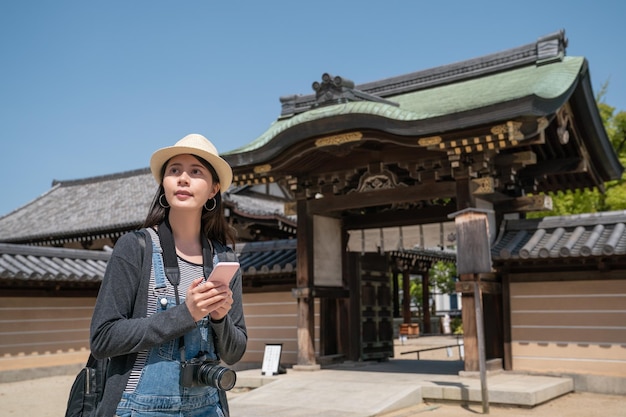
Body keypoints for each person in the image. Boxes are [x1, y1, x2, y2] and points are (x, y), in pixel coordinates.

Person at [90, 133, 247, 417]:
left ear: (213, 189)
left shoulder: (225, 260)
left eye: (195, 171)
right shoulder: (135, 247)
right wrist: (186, 313)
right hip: (137, 408)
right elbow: (103, 338)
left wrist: (219, 319)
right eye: (174, 170)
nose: (183, 178)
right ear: (164, 184)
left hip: (207, 407)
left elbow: (234, 352)